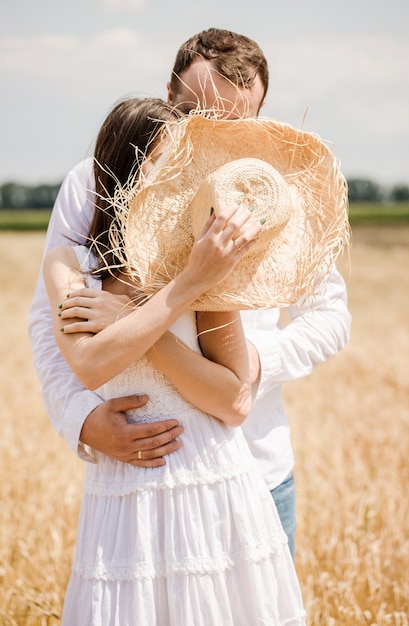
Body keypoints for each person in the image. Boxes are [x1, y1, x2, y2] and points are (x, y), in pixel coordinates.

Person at [28, 27, 351, 558]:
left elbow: (331, 315)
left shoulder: (273, 193)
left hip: (256, 465)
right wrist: (80, 421)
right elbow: (51, 319)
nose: (214, 137)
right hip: (139, 478)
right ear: (168, 97)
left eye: (235, 123)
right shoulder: (94, 180)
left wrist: (249, 365)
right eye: (197, 116)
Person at [43, 96, 306, 624]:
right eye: (169, 167)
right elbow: (91, 365)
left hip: (215, 490)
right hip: (126, 503)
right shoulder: (69, 267)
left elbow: (233, 403)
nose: (183, 183)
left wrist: (155, 304)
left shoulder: (206, 272)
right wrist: (185, 289)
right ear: (125, 174)